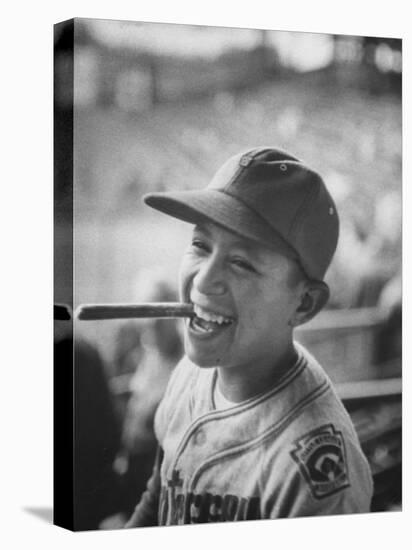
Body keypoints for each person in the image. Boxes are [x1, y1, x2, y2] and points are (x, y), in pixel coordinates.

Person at [125, 147, 373, 527]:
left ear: (304, 303)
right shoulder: (189, 374)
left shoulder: (316, 470)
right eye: (200, 245)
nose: (204, 279)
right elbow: (157, 498)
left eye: (241, 263)